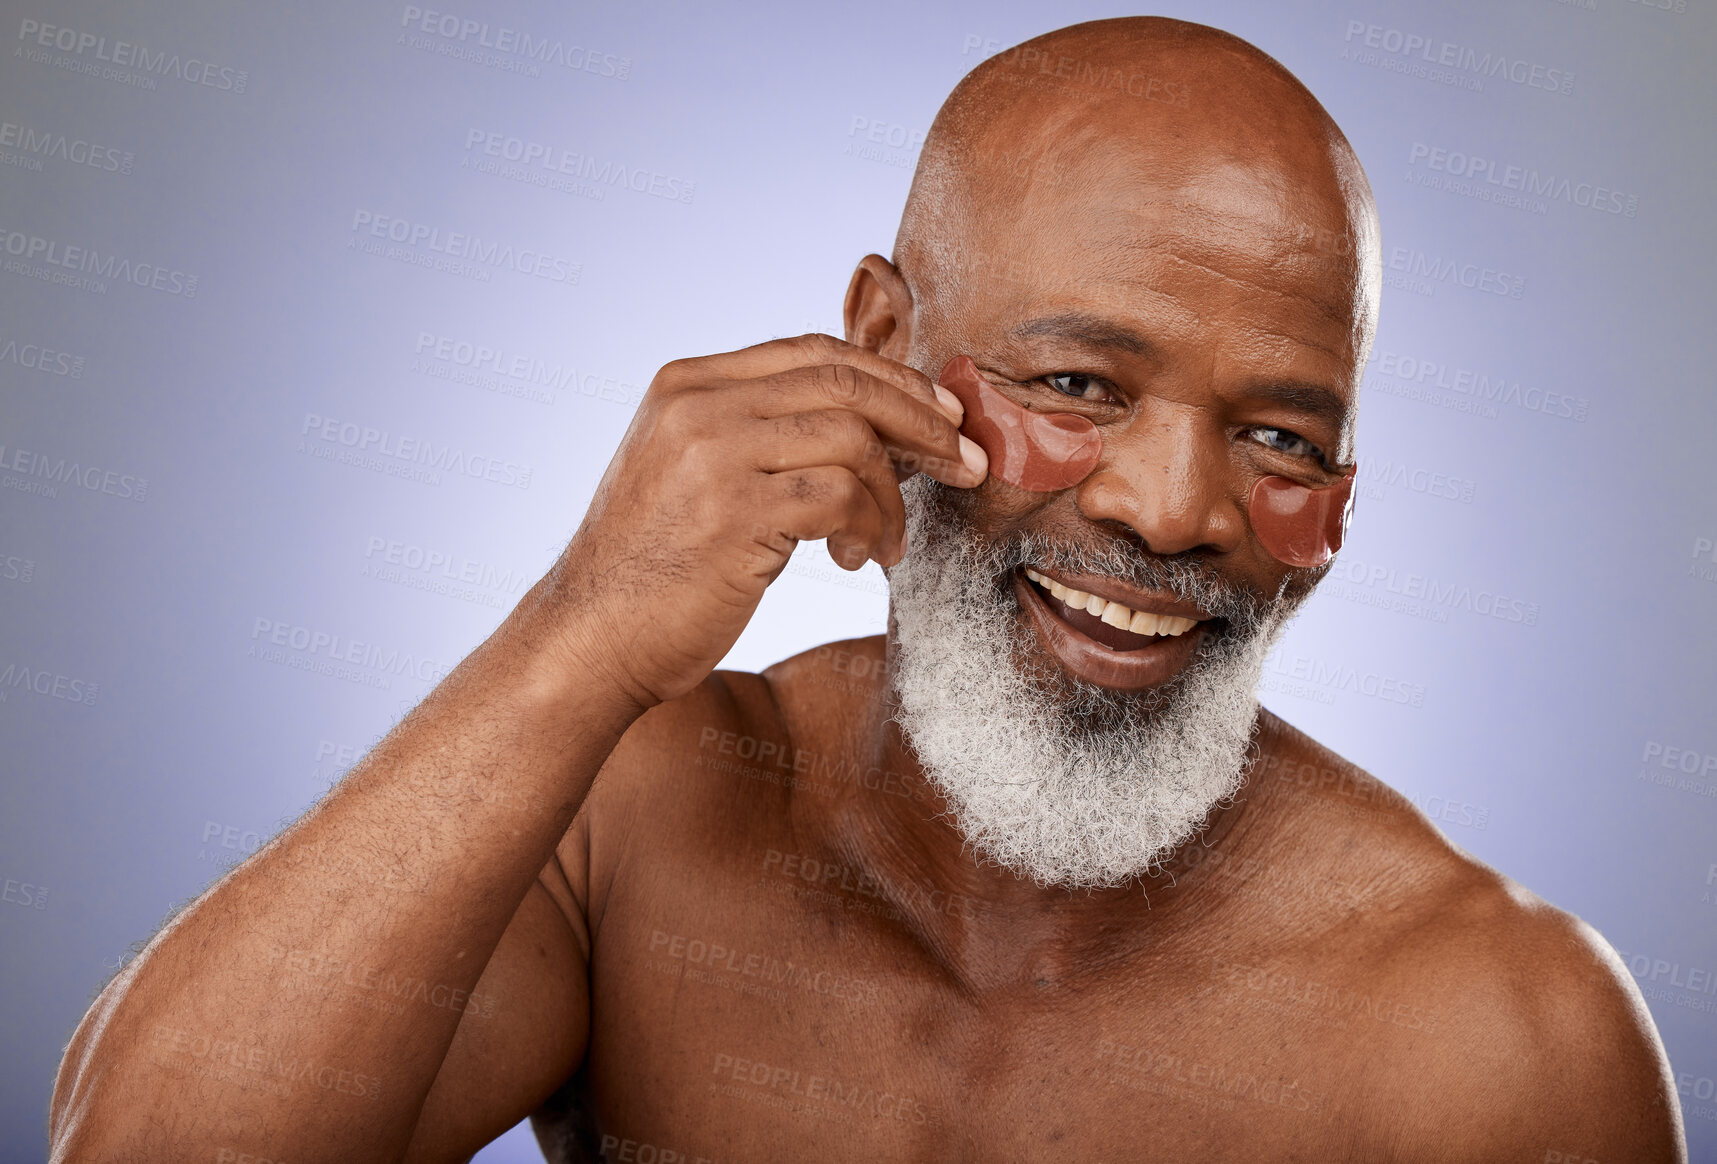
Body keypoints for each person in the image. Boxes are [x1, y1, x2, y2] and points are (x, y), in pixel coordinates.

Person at [49, 17, 1684, 1163]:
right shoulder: (641, 821)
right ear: (885, 349)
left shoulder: (1494, 1027)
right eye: (1080, 385)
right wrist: (583, 628)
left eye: (1275, 433)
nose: (1176, 510)